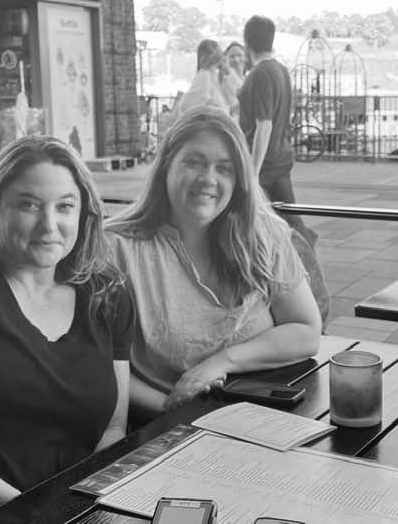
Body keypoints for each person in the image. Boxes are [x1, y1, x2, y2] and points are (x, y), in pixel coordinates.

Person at [0, 136, 133, 520]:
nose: (49, 225)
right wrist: (31, 513)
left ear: (83, 214)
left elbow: (113, 429)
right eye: (29, 204)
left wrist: (87, 510)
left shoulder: (107, 293)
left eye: (64, 206)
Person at [107, 107, 322, 416]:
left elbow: (306, 330)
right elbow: (99, 365)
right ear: (166, 165)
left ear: (239, 179)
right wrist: (169, 411)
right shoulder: (116, 248)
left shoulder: (263, 234)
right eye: (193, 162)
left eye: (224, 168)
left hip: (265, 415)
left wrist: (221, 362)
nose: (208, 179)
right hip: (164, 424)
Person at [238, 15, 317, 247]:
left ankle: (302, 255)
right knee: (290, 220)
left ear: (247, 43)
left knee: (248, 220)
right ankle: (305, 253)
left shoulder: (260, 74)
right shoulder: (280, 70)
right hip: (280, 156)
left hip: (265, 163)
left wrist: (253, 172)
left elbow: (264, 124)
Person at [174, 39, 242, 118]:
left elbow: (228, 106)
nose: (223, 57)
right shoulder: (204, 76)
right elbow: (186, 105)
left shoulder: (214, 77)